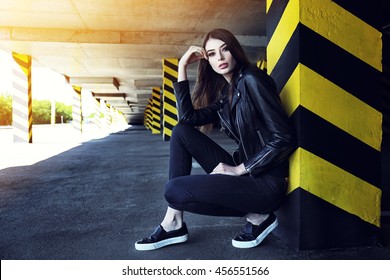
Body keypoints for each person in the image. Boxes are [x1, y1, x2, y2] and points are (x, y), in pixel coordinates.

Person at [135, 28, 294, 251]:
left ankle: (258, 216)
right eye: (211, 54)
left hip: (265, 182)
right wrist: (182, 67)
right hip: (248, 175)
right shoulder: (227, 92)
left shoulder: (252, 79)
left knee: (175, 190)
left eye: (225, 49)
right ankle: (173, 221)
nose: (219, 58)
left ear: (235, 51)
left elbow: (284, 137)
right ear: (207, 60)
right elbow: (188, 118)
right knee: (181, 132)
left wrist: (240, 168)